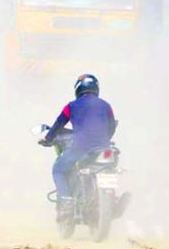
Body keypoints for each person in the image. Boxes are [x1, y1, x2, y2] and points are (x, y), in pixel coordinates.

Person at [39, 73, 117, 220]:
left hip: (81, 147)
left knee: (58, 169)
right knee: (112, 168)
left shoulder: (71, 106)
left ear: (78, 89)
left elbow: (58, 125)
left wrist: (47, 139)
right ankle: (113, 201)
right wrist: (104, 140)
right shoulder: (106, 106)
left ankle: (66, 201)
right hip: (103, 149)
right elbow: (111, 126)